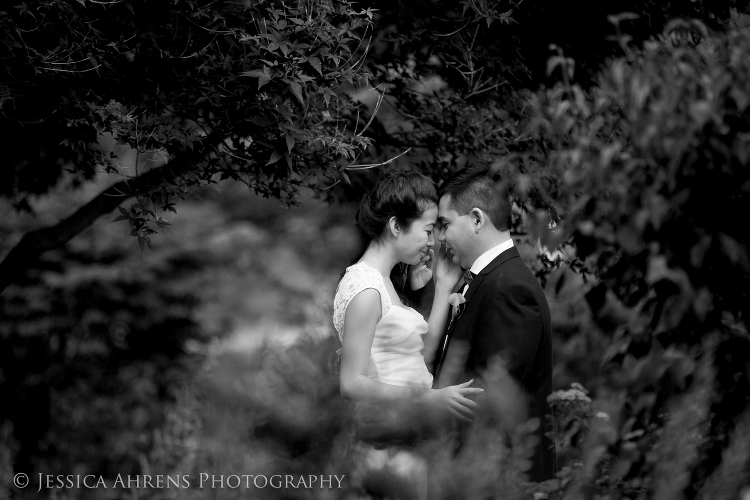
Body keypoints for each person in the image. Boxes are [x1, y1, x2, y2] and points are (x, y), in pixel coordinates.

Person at [333, 171, 483, 499]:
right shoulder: (366, 289)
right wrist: (430, 398)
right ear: (396, 226)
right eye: (427, 231)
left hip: (406, 435)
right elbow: (352, 383)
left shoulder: (384, 282)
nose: (432, 242)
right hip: (383, 444)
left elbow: (421, 355)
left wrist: (442, 287)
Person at [432, 164, 556, 482]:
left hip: (497, 477)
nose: (441, 238)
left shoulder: (509, 288)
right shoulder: (488, 280)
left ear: (476, 219)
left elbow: (492, 398)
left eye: (445, 224)